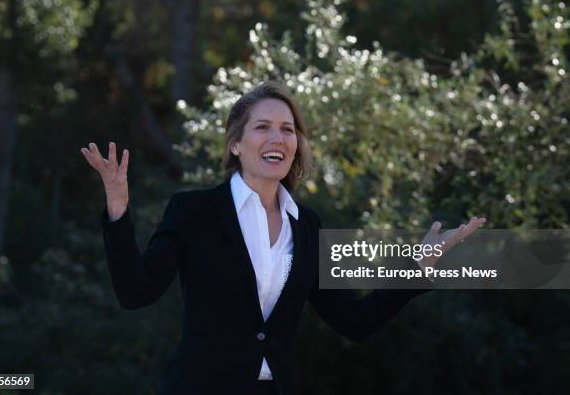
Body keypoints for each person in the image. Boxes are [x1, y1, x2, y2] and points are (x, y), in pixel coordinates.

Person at [81, 81, 486, 395]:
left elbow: (355, 321)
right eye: (263, 127)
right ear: (236, 144)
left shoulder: (309, 227)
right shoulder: (194, 211)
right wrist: (117, 209)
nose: (278, 138)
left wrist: (417, 265)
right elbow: (136, 293)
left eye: (287, 129)